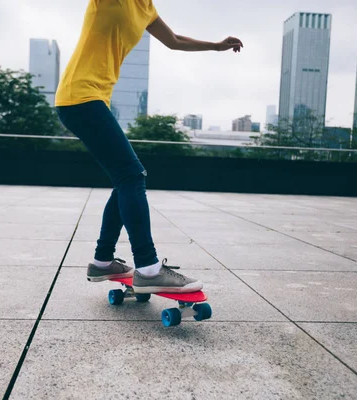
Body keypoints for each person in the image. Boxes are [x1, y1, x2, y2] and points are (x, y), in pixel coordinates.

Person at [55, 0, 243, 294]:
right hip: (79, 96)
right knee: (131, 175)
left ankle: (102, 261)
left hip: (90, 100)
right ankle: (148, 268)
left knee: (125, 179)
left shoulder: (146, 8)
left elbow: (175, 40)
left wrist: (216, 46)